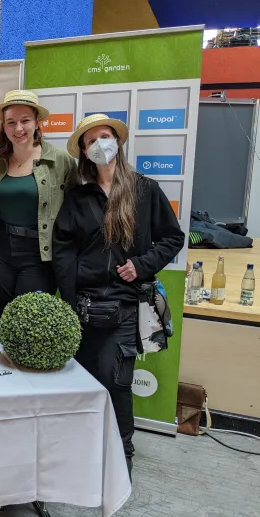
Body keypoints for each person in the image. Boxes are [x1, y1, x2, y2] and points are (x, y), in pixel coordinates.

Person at [53, 114, 184, 474]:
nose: (100, 144)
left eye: (105, 136)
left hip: (125, 307)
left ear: (118, 142)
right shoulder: (77, 197)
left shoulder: (144, 189)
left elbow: (174, 237)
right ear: (83, 151)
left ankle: (121, 452)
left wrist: (142, 265)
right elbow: (63, 249)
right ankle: (85, 447)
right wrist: (68, 300)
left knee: (115, 381)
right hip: (82, 306)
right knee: (81, 380)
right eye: (90, 140)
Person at [0, 90, 78, 317]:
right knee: (2, 316)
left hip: (39, 252)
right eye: (11, 122)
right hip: (0, 251)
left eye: (25, 120)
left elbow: (76, 211)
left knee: (29, 317)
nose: (19, 129)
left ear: (37, 122)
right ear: (4, 127)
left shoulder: (60, 160)